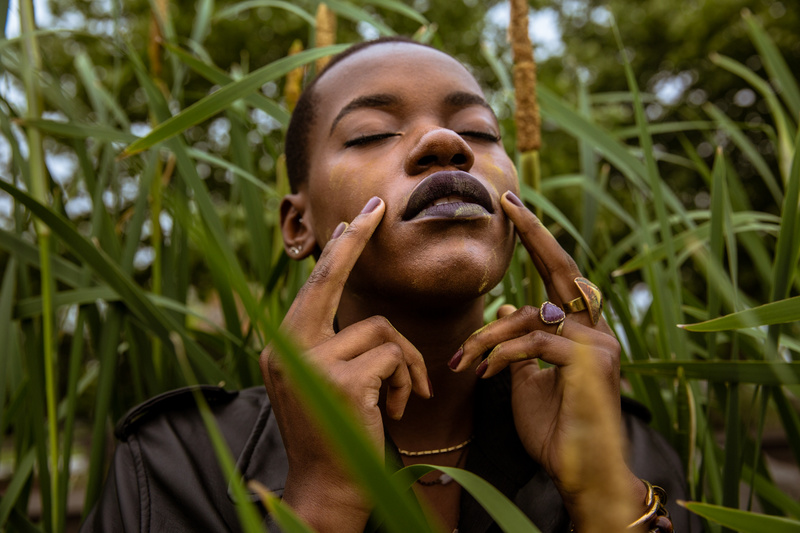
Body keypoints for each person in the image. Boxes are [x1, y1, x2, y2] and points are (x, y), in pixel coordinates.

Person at [81, 37, 699, 533]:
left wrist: (603, 498)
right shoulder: (173, 463)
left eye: (480, 132)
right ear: (299, 224)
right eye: (373, 133)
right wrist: (322, 499)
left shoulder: (628, 444)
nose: (445, 143)